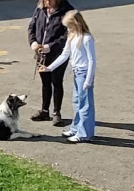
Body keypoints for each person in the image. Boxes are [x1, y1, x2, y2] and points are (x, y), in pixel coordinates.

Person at [39, 10, 96, 143]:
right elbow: (64, 55)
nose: (68, 29)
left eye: (70, 26)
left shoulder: (86, 38)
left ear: (77, 24)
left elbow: (92, 61)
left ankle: (84, 133)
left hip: (84, 73)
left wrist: (88, 80)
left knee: (85, 104)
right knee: (76, 101)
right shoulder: (72, 37)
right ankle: (76, 128)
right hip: (76, 73)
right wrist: (49, 68)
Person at [28, 0, 73, 126]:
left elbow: (68, 34)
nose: (47, 2)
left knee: (56, 82)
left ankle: (56, 112)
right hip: (41, 54)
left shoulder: (67, 11)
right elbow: (32, 27)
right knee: (45, 82)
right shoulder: (40, 9)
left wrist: (51, 46)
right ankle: (44, 110)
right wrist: (33, 42)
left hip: (58, 54)